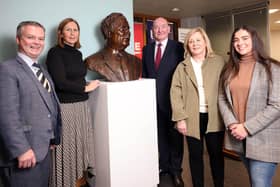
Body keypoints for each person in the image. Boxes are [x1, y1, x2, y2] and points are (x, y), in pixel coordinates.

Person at [0, 21, 61, 187]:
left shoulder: (41, 70)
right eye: (31, 37)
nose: (37, 42)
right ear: (18, 40)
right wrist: (21, 149)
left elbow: (47, 105)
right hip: (24, 153)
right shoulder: (7, 69)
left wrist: (51, 136)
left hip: (42, 148)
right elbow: (6, 115)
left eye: (41, 38)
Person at [219, 25, 280, 187]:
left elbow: (277, 105)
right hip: (239, 138)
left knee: (259, 183)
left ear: (254, 40)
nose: (240, 43)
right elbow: (222, 98)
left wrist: (246, 128)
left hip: (264, 138)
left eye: (245, 38)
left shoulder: (272, 68)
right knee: (255, 181)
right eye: (236, 40)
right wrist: (232, 123)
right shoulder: (229, 69)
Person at [45, 18, 100, 187]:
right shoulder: (55, 53)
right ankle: (63, 182)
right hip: (66, 107)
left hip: (82, 106)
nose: (72, 33)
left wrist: (87, 84)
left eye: (75, 30)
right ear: (60, 33)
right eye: (68, 30)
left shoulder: (78, 54)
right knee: (67, 149)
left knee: (80, 146)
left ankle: (79, 180)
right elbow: (60, 82)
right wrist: (85, 88)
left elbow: (77, 78)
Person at [170, 27, 225, 187]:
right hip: (192, 117)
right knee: (195, 156)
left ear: (205, 42)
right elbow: (175, 92)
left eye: (198, 40)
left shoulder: (219, 61)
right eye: (191, 41)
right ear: (187, 45)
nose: (195, 44)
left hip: (215, 116)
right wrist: (180, 119)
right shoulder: (182, 66)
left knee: (216, 155)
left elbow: (227, 87)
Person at [142, 17, 185, 187]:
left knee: (175, 138)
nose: (159, 30)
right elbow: (145, 76)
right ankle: (164, 167)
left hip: (174, 103)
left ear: (169, 29)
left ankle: (176, 171)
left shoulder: (178, 48)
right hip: (154, 103)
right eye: (156, 28)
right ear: (152, 31)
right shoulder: (146, 49)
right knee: (160, 137)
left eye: (163, 27)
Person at [85, 12, 141, 82]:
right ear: (109, 33)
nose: (128, 34)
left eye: (128, 29)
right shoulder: (92, 61)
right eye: (122, 29)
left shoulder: (136, 61)